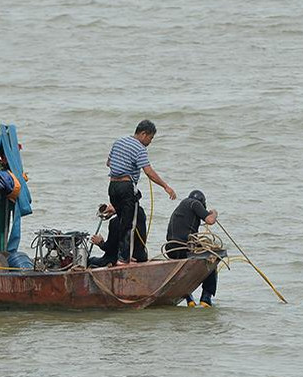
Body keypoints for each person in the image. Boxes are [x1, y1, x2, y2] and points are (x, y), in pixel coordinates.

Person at [107, 119, 176, 265]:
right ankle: (123, 259)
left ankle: (125, 255)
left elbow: (109, 163)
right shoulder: (140, 148)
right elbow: (149, 172)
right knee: (129, 224)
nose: (150, 142)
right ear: (143, 134)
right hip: (126, 187)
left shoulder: (119, 142)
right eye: (151, 138)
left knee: (122, 220)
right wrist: (165, 186)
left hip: (112, 187)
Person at [165, 189, 218, 307]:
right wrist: (214, 213)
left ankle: (189, 298)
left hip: (171, 249)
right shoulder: (195, 203)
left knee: (184, 271)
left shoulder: (182, 206)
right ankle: (206, 298)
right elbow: (210, 220)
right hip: (185, 248)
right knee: (212, 258)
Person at [88, 201, 148, 268]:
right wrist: (117, 209)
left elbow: (111, 249)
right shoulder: (140, 214)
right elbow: (131, 207)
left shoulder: (114, 222)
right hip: (140, 257)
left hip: (117, 259)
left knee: (90, 261)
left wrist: (100, 243)